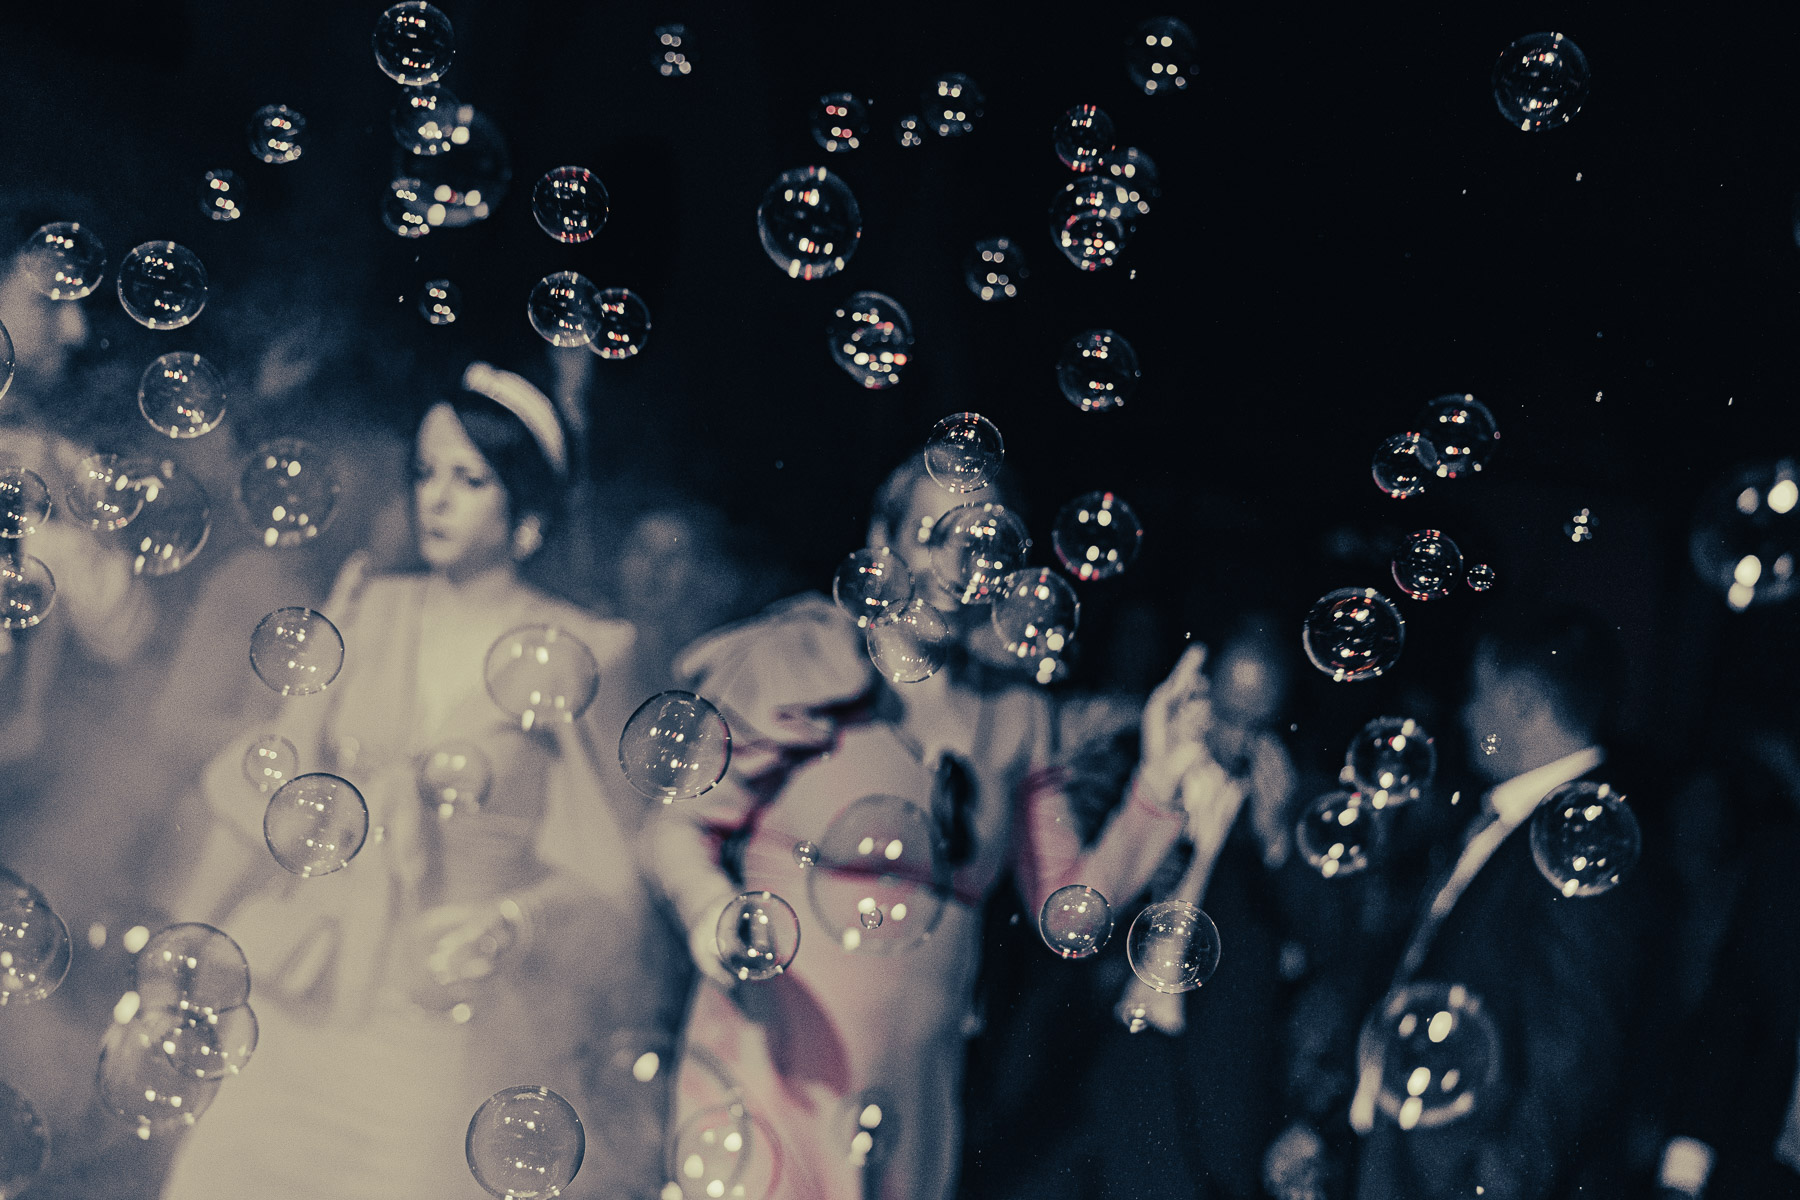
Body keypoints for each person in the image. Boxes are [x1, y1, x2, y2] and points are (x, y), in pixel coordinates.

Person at [640, 453, 1232, 1200]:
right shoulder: (799, 662)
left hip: (911, 1102)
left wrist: (1158, 782)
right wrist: (711, 911)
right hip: (768, 1069)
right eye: (931, 535)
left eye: (980, 546)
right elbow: (674, 830)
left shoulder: (1014, 715)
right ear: (879, 541)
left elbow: (1069, 913)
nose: (955, 567)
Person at [159, 364, 675, 1199]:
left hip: (430, 1024)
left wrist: (511, 921)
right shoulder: (366, 607)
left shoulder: (582, 649)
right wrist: (181, 952)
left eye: (469, 480)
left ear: (528, 513)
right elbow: (271, 791)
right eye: (428, 473)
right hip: (301, 988)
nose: (436, 499)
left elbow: (611, 872)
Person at [1347, 606, 1659, 1200]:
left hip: (1448, 1180)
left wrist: (1487, 1186)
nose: (1465, 713)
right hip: (1404, 1156)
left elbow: (1573, 1060)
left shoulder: (1583, 838)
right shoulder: (1510, 821)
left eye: (1477, 691)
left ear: (1524, 704)